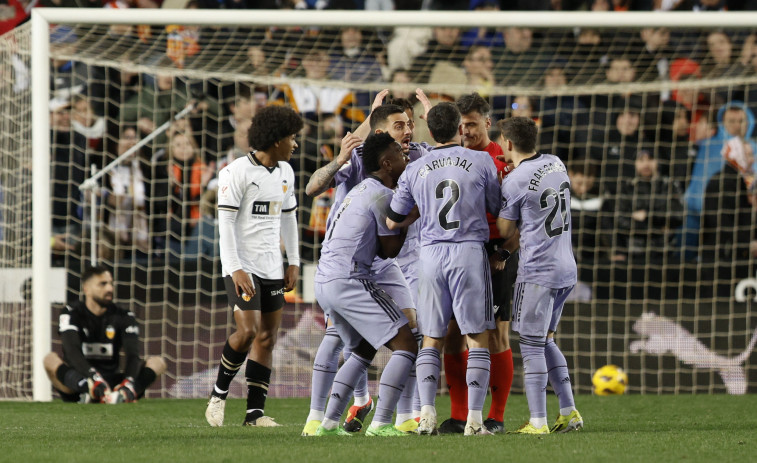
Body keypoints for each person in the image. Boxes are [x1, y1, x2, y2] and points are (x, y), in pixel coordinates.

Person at [302, 92, 431, 436]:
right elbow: (314, 186)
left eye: (409, 123)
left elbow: (388, 249)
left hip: (339, 275)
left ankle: (329, 422)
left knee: (364, 346)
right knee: (403, 344)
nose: (407, 134)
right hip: (353, 275)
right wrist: (411, 214)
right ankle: (379, 422)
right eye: (398, 125)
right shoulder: (367, 172)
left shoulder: (384, 175)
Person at [387, 102, 501, 436]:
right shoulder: (481, 160)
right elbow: (496, 205)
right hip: (467, 252)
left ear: (428, 129)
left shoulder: (414, 168)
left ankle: (425, 416)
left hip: (430, 255)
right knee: (477, 338)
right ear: (458, 127)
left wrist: (419, 212)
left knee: (432, 340)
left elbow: (394, 218)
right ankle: (475, 422)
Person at [205, 105, 303, 427]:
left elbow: (289, 218)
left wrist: (293, 262)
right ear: (275, 141)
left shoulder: (286, 172)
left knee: (267, 338)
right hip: (241, 265)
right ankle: (218, 397)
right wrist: (234, 268)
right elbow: (226, 224)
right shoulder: (235, 172)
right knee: (246, 332)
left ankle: (254, 414)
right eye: (291, 138)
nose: (295, 144)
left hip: (272, 266)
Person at [493, 116, 582, 435]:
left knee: (530, 344)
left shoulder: (515, 181)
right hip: (566, 267)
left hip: (538, 271)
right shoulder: (556, 163)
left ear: (508, 143)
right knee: (546, 340)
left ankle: (538, 421)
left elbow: (504, 230)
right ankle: (569, 411)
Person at [438, 93, 515, 435]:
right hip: (456, 251)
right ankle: (459, 414)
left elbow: (519, 216)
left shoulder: (503, 159)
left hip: (494, 251)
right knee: (453, 335)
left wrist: (504, 253)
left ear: (487, 123)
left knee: (495, 334)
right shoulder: (449, 156)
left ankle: (495, 416)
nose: (465, 130)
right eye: (461, 125)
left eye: (471, 124)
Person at [43, 266, 166, 403]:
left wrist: (129, 380)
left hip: (113, 383)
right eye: (103, 284)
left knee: (158, 362)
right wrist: (93, 378)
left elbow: (132, 355)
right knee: (50, 359)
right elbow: (71, 351)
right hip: (81, 381)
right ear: (86, 289)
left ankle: (127, 393)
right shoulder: (71, 313)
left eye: (110, 283)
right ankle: (89, 391)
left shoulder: (123, 315)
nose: (109, 289)